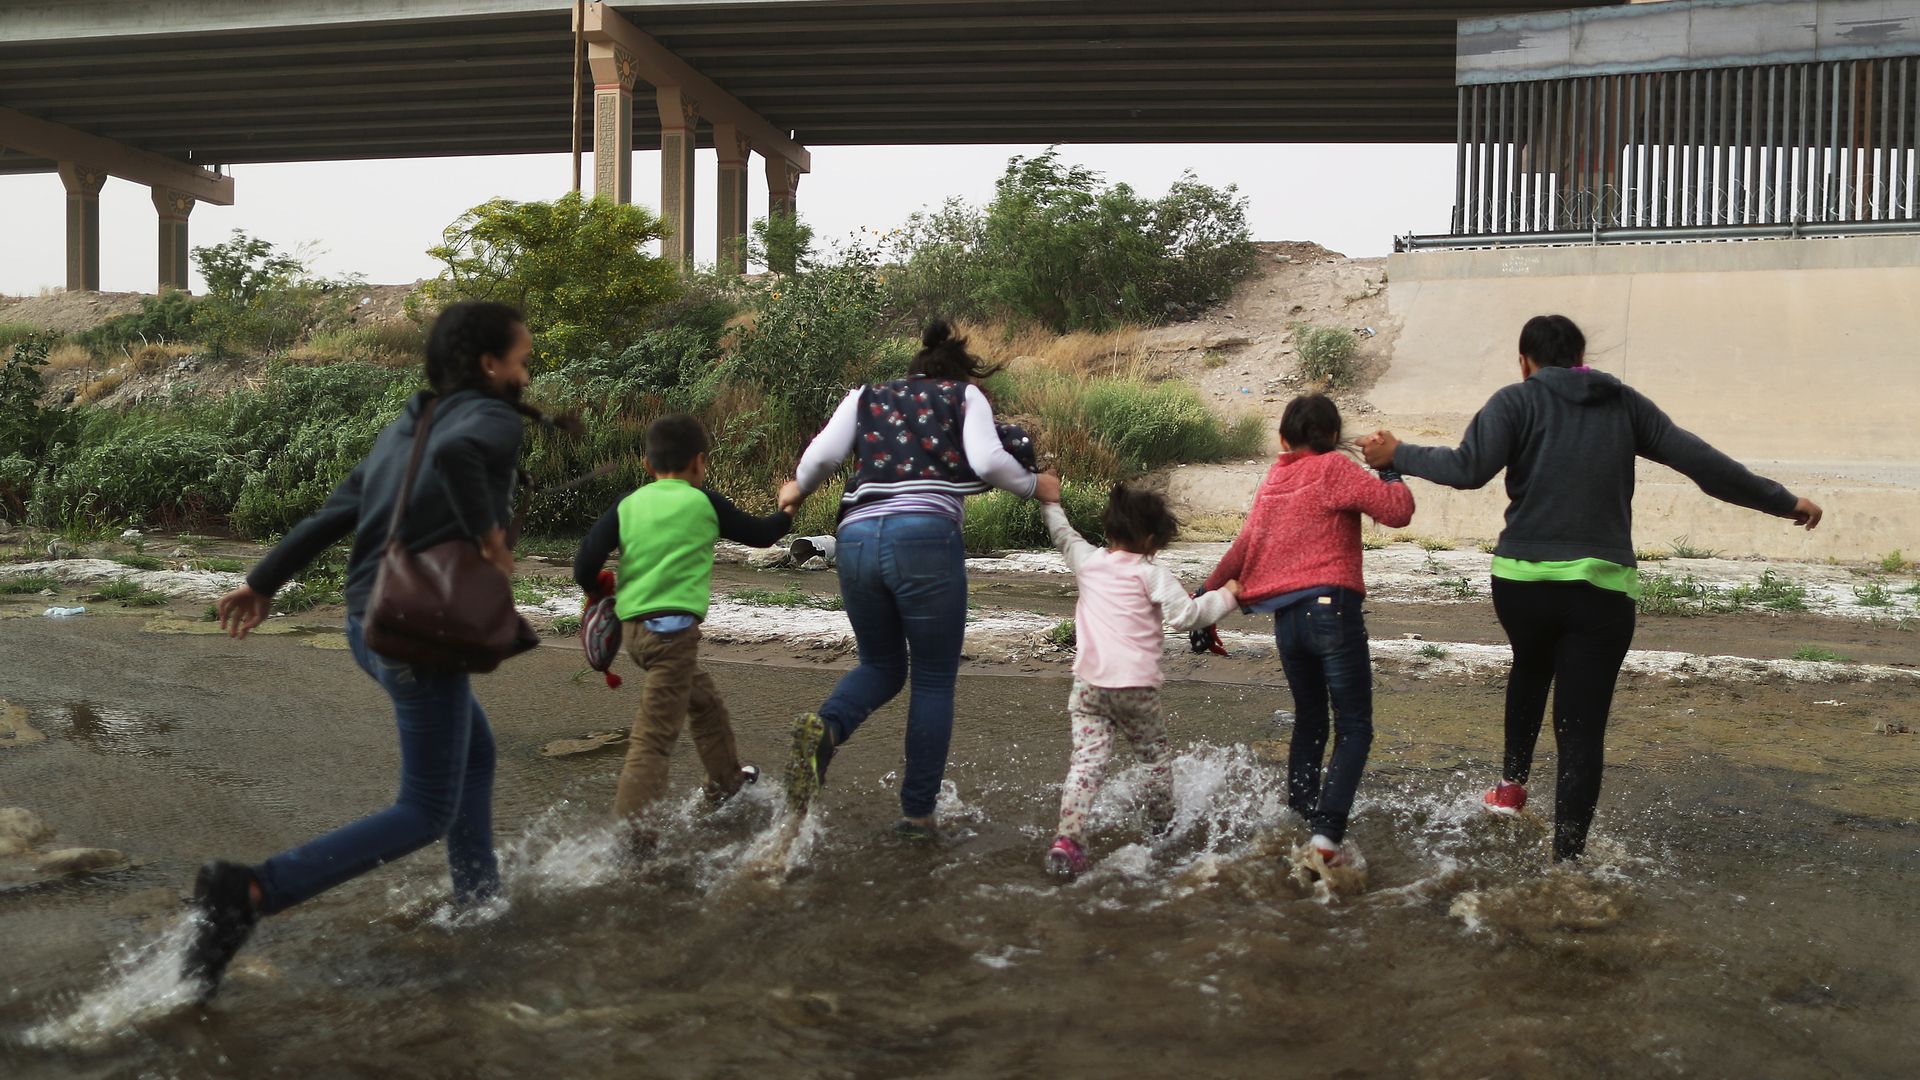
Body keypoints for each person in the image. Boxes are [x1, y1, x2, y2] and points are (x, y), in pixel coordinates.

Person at [192, 300, 563, 1000]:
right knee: (424, 808)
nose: (526, 370)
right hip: (421, 636)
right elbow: (460, 459)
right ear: (490, 365)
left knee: (474, 755)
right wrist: (489, 537)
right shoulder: (487, 418)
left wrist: (261, 582)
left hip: (370, 622)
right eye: (522, 358)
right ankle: (252, 890)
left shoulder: (411, 424)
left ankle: (479, 901)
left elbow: (335, 513)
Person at [1362, 314, 1823, 862]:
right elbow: (1703, 463)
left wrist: (1398, 455)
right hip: (1601, 593)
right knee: (1581, 729)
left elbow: (1468, 469)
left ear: (1524, 361)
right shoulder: (1624, 404)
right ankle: (1568, 863)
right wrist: (1782, 500)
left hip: (1523, 584)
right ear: (1581, 358)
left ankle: (1510, 788)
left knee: (1531, 666)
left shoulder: (1515, 401)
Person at [778, 321, 1061, 839]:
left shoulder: (867, 396)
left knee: (881, 666)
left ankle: (827, 730)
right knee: (932, 679)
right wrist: (1033, 484)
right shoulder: (964, 395)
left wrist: (796, 490)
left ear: (914, 371)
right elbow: (988, 460)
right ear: (955, 373)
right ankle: (916, 815)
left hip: (857, 539)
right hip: (924, 538)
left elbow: (822, 457)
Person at [1202, 394, 1413, 867]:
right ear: (1333, 438)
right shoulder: (1333, 469)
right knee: (1354, 726)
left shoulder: (1277, 476)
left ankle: (1297, 822)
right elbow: (1397, 510)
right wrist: (1392, 466)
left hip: (1287, 623)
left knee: (1311, 720)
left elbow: (1245, 544)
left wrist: (1204, 599)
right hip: (1330, 613)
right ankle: (1324, 841)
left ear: (1282, 438)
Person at [572, 414, 792, 837]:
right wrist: (786, 510)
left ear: (648, 466)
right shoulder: (703, 502)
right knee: (653, 741)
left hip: (635, 634)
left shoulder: (628, 504)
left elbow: (585, 564)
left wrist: (597, 588)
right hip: (673, 637)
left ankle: (728, 781)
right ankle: (633, 842)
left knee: (704, 702)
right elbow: (762, 535)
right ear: (699, 463)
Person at [1041, 485, 1241, 878]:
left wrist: (1050, 502)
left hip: (1089, 689)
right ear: (1152, 540)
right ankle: (1161, 826)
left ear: (1109, 527)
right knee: (1153, 760)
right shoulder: (1151, 574)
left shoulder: (1088, 561)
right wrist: (1228, 596)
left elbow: (1062, 534)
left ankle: (1068, 839)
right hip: (1136, 689)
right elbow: (1186, 617)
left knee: (1086, 763)